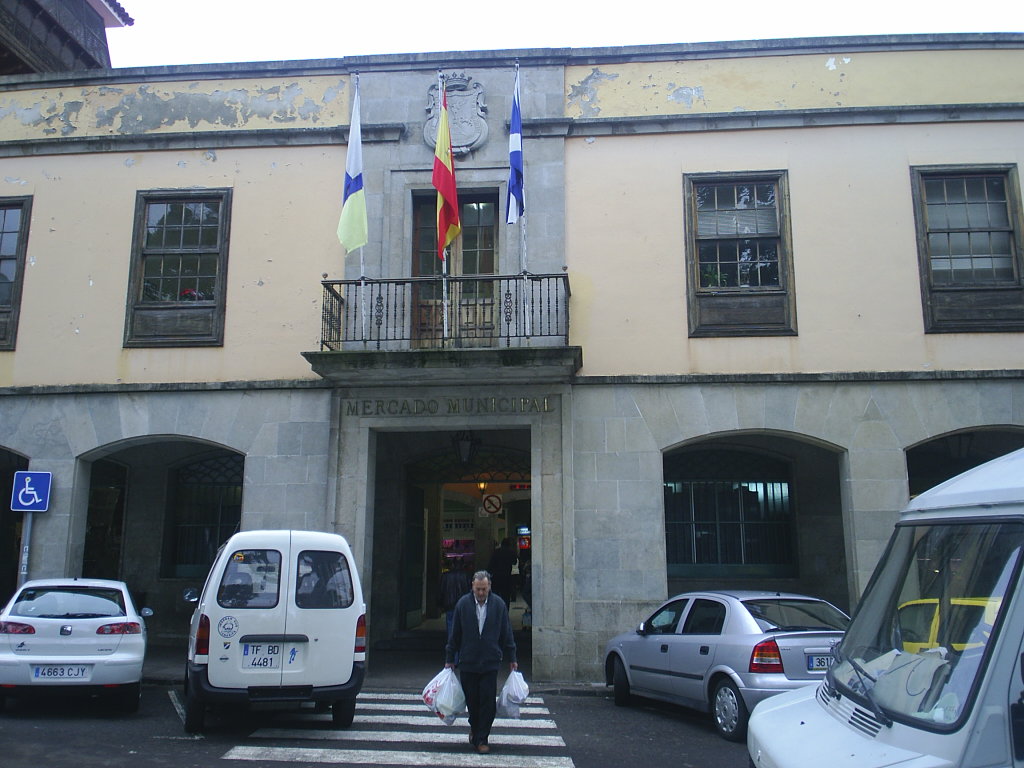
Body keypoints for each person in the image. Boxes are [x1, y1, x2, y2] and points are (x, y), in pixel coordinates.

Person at [445, 570, 517, 755]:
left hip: (490, 661)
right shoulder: (463, 604)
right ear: (472, 587)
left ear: (489, 587)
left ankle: (482, 738)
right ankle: (475, 729)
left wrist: (512, 657)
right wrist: (449, 659)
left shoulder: (499, 605)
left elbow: (506, 632)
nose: (481, 593)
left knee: (487, 702)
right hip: (468, 661)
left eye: (484, 589)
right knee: (472, 701)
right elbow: (455, 634)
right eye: (478, 589)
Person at [439, 559, 473, 648]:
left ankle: (452, 655)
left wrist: (440, 604)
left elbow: (441, 591)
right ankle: (461, 654)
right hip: (464, 606)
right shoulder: (467, 576)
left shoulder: (445, 576)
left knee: (451, 629)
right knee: (463, 630)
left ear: (452, 565)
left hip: (449, 605)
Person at [487, 538, 517, 607]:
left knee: (496, 597)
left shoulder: (496, 552)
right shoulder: (512, 553)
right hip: (507, 578)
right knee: (506, 597)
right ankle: (505, 613)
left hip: (496, 578)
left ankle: (497, 613)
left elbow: (490, 565)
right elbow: (515, 564)